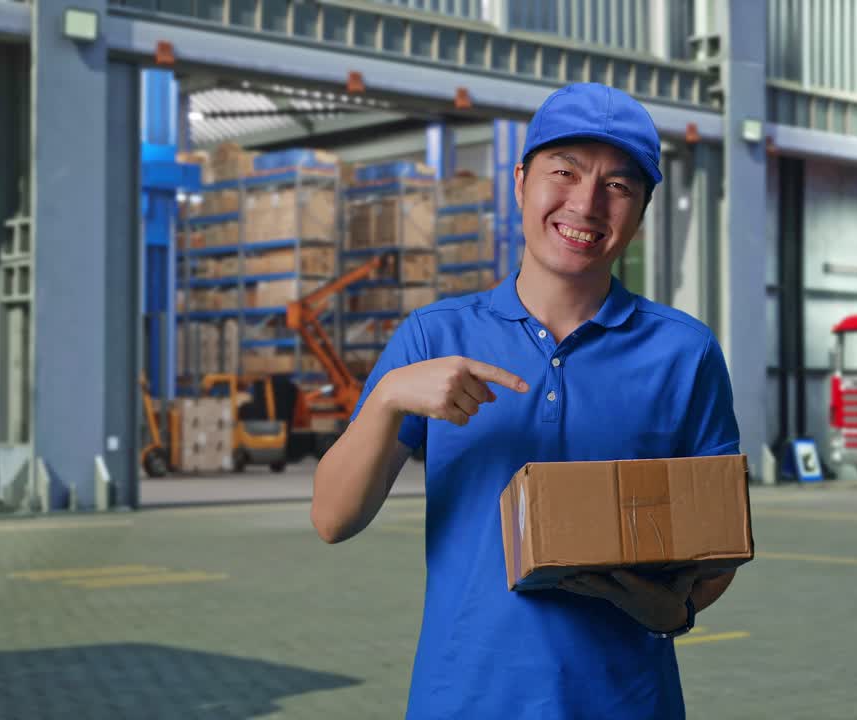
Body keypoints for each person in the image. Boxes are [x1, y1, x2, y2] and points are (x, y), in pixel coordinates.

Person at [311, 83, 743, 719]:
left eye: (618, 186)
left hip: (626, 701)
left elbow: (718, 535)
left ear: (643, 209)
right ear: (520, 181)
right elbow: (331, 519)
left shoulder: (685, 354)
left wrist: (679, 609)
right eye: (563, 172)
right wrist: (387, 401)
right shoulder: (436, 337)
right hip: (465, 699)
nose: (587, 203)